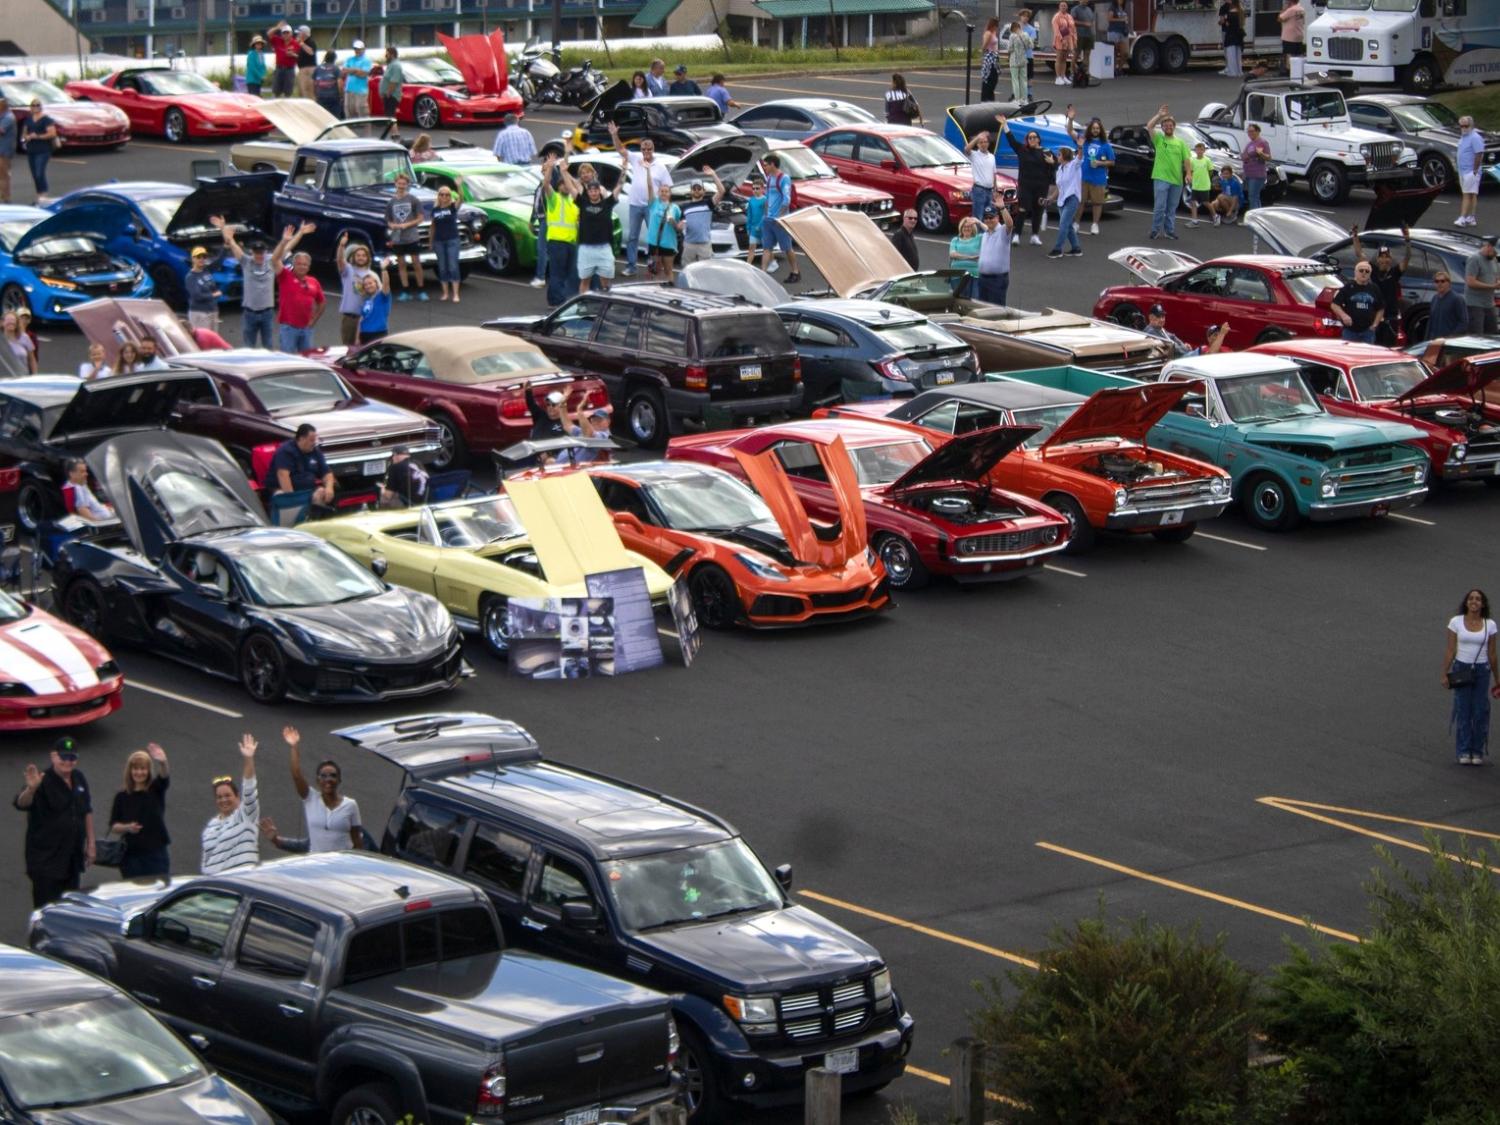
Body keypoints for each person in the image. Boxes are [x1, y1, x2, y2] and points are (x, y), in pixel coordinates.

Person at [13, 737, 93, 908]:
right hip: (47, 863)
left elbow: (86, 810)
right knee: (47, 912)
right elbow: (21, 803)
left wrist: (91, 844)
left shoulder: (79, 778)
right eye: (63, 757)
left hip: (71, 860)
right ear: (53, 757)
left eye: (72, 758)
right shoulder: (42, 780)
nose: (68, 762)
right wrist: (31, 789)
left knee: (69, 910)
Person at [213, 217, 297, 350]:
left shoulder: (270, 261)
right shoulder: (246, 262)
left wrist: (285, 240)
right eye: (257, 253)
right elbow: (233, 244)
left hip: (266, 313)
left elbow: (282, 251)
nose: (259, 256)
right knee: (248, 347)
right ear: (252, 253)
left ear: (265, 252)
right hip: (249, 313)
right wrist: (223, 228)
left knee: (268, 346)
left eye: (261, 253)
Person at [1443, 589, 1499, 766]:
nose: (1474, 601)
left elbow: (1492, 654)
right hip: (1461, 669)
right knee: (1463, 710)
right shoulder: (1456, 622)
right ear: (1466, 602)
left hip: (1482, 671)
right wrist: (1444, 673)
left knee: (1480, 711)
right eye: (1471, 598)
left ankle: (1477, 751)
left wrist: (1497, 679)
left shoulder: (1490, 625)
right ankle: (1463, 750)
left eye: (1478, 599)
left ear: (1483, 604)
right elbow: (1451, 650)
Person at [284, 725, 362, 852]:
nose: (328, 779)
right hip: (316, 865)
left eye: (333, 776)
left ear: (339, 780)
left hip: (341, 865)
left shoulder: (351, 805)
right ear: (318, 780)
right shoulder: (311, 798)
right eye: (323, 776)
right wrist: (294, 746)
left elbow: (357, 842)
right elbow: (296, 774)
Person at [201, 733, 259, 875]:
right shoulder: (211, 825)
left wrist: (248, 758)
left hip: (241, 881)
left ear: (237, 796)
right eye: (219, 797)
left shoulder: (245, 815)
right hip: (217, 885)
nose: (223, 800)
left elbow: (249, 787)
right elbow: (206, 861)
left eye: (228, 796)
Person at [109, 743, 169, 879]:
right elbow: (114, 826)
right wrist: (127, 827)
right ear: (129, 771)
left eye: (143, 769)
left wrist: (163, 762)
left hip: (156, 855)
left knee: (158, 893)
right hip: (131, 857)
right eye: (135, 769)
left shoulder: (155, 789)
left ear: (148, 771)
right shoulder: (121, 797)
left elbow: (164, 777)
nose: (139, 772)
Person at [612, 124, 661, 278]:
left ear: (653, 149)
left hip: (651, 206)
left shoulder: (659, 166)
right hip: (635, 205)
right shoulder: (636, 158)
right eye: (644, 148)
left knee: (653, 237)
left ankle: (652, 265)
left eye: (649, 148)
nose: (646, 151)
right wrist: (614, 134)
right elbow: (620, 150)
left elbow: (667, 187)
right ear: (641, 149)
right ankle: (631, 267)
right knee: (633, 237)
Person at [1000, 115, 1056, 246]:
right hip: (1026, 185)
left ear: (1039, 140)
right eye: (1030, 138)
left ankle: (1035, 236)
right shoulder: (1022, 150)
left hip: (1041, 186)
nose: (1032, 139)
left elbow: (1057, 166)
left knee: (1038, 210)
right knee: (1023, 210)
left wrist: (1052, 162)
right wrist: (1005, 125)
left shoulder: (1046, 152)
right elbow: (1011, 141)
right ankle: (1017, 235)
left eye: (1034, 137)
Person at [1353, 226, 1411, 345]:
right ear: (1378, 259)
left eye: (1387, 257)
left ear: (1390, 259)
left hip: (1390, 318)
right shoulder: (1372, 271)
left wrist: (1407, 240)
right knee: (1373, 348)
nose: (1384, 260)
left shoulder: (1395, 272)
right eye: (1381, 257)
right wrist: (1355, 236)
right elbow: (1360, 254)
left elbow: (1407, 259)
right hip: (1374, 318)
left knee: (1388, 349)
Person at [540, 153, 579, 306]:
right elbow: (546, 185)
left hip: (570, 242)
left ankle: (554, 299)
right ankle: (557, 302)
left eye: (566, 184)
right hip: (557, 242)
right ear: (558, 186)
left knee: (567, 274)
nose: (564, 186)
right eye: (561, 184)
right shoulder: (554, 198)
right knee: (557, 274)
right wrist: (550, 168)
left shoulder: (573, 201)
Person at [1146, 104, 1191, 241]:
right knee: (1160, 206)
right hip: (1161, 177)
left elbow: (1187, 159)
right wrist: (1159, 115)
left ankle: (1169, 231)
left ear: (1174, 126)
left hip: (1176, 179)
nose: (1168, 127)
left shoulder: (1180, 143)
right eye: (1165, 125)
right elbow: (1149, 127)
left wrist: (1188, 173)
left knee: (1171, 208)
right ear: (1163, 127)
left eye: (1170, 125)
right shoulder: (1159, 139)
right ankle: (1155, 230)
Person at [266, 422, 336, 507]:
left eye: (315, 440)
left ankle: (316, 516)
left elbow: (326, 472)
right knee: (281, 495)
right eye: (311, 440)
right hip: (284, 489)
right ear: (301, 439)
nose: (314, 443)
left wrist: (329, 488)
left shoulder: (315, 451)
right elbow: (283, 475)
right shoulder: (286, 451)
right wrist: (292, 498)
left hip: (307, 489)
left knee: (321, 491)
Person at [758, 153, 801, 282]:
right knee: (767, 248)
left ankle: (795, 271)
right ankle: (762, 275)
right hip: (768, 220)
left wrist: (780, 218)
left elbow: (786, 200)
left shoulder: (784, 178)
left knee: (787, 248)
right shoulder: (769, 178)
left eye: (766, 165)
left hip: (779, 221)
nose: (764, 168)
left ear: (772, 164)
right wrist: (765, 215)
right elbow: (768, 198)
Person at [276, 240, 325, 352]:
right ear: (293, 264)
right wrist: (285, 241)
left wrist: (314, 320)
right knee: (287, 360)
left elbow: (322, 302)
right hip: (289, 328)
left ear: (309, 267)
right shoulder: (284, 276)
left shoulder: (313, 281)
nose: (302, 267)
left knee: (307, 359)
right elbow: (276, 259)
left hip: (306, 329)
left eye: (305, 264)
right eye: (299, 264)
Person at [386, 173, 426, 301]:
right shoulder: (391, 202)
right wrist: (392, 225)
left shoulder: (413, 199)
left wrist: (407, 224)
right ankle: (405, 290)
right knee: (401, 264)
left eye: (404, 184)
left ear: (407, 185)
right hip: (398, 238)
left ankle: (421, 289)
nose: (401, 186)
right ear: (395, 184)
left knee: (416, 263)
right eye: (399, 184)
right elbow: (388, 220)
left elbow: (420, 218)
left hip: (412, 237)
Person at [334, 233, 375, 344]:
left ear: (367, 258)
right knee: (349, 350)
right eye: (358, 255)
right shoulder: (348, 270)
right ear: (353, 257)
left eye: (363, 255)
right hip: (350, 319)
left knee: (364, 350)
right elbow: (340, 260)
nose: (361, 257)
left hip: (365, 320)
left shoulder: (371, 275)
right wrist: (342, 246)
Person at [678, 168, 724, 267]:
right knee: (688, 271)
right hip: (689, 245)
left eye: (699, 189)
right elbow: (680, 225)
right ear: (691, 191)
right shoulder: (684, 207)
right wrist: (680, 226)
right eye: (694, 189)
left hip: (704, 245)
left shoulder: (708, 204)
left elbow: (721, 191)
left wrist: (713, 174)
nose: (697, 191)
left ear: (704, 191)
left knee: (706, 271)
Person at [1144, 304, 1231, 356]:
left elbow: (1173, 338)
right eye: (1159, 317)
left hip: (1182, 354)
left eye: (1163, 316)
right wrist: (1185, 350)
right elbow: (1171, 345)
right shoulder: (1151, 331)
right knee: (1204, 351)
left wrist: (1184, 346)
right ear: (1151, 317)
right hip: (1176, 358)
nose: (1162, 319)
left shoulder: (1160, 329)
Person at [1332, 259, 1384, 343]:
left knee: (1366, 355)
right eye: (1361, 270)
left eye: (1367, 271)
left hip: (1368, 331)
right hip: (1350, 331)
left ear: (1370, 274)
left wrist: (1375, 325)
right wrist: (1343, 315)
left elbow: (1381, 308)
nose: (1364, 273)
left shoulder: (1375, 288)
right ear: (1355, 272)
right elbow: (1334, 304)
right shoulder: (1348, 287)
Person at [1079, 116, 1113, 236]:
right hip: (1084, 177)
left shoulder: (1105, 145)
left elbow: (1112, 162)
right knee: (1080, 202)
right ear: (1090, 129)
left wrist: (1100, 163)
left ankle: (1095, 224)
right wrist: (1071, 120)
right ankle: (1075, 224)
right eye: (1093, 128)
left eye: (1097, 128)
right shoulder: (1085, 142)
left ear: (1101, 130)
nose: (1095, 130)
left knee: (1097, 203)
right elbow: (1070, 132)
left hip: (1098, 178)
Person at [976, 204, 1016, 305]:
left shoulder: (1002, 232)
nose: (988, 220)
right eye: (986, 218)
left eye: (991, 217)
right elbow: (986, 227)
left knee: (996, 311)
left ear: (997, 217)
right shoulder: (986, 234)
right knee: (983, 310)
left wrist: (1002, 208)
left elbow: (1010, 224)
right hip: (983, 278)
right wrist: (978, 222)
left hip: (997, 280)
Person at [1048, 145, 1083, 258]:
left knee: (1063, 224)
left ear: (1064, 156)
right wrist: (1050, 198)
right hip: (1061, 200)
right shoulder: (1059, 169)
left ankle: (1058, 249)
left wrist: (1081, 146)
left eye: (1059, 154)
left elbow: (1080, 156)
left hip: (1072, 198)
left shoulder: (1074, 165)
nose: (1057, 156)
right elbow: (1059, 188)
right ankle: (1076, 248)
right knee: (1068, 226)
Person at [430, 184, 463, 303]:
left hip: (452, 240)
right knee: (442, 267)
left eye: (447, 194)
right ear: (438, 196)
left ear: (450, 196)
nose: (444, 196)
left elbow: (461, 199)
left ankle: (455, 294)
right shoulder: (435, 210)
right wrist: (430, 241)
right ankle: (445, 293)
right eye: (442, 194)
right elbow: (432, 227)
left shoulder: (453, 207)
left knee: (453, 266)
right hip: (438, 241)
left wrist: (459, 186)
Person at [646, 182, 683, 284]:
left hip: (668, 243)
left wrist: (673, 222)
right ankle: (653, 290)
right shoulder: (654, 203)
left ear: (670, 194)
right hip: (654, 242)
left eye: (666, 191)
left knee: (668, 269)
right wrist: (648, 170)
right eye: (662, 191)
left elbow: (679, 228)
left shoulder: (675, 208)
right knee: (653, 270)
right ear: (658, 192)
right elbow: (649, 186)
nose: (664, 193)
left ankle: (670, 289)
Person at [21, 101, 57, 200]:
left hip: (44, 149)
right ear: (31, 107)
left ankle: (44, 193)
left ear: (41, 107)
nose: (36, 107)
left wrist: (38, 136)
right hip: (31, 149)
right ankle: (39, 193)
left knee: (39, 172)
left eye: (38, 105)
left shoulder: (46, 119)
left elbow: (52, 133)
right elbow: (24, 134)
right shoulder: (28, 119)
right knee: (34, 173)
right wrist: (26, 137)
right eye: (33, 105)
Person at [1464, 235, 1499, 334]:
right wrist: (1492, 286)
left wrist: (1497, 282)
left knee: (1493, 334)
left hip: (1489, 303)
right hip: (1475, 304)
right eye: (1494, 251)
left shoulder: (1494, 260)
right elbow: (1470, 282)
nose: (1495, 254)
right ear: (1488, 246)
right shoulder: (1475, 259)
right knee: (1477, 336)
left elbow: (1496, 277)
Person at [184, 246, 222, 331]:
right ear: (193, 259)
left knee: (213, 339)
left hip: (212, 311)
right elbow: (197, 296)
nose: (202, 259)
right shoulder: (190, 277)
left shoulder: (206, 271)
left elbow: (218, 262)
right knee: (203, 340)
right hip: (199, 313)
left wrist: (226, 248)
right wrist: (213, 295)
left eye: (204, 257)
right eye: (198, 257)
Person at [1456, 116, 1483, 228]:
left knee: (1467, 195)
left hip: (1470, 171)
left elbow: (1479, 154)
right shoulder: (1463, 137)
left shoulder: (1475, 137)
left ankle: (1462, 218)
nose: (1463, 128)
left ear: (1471, 125)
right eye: (1461, 125)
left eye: (1466, 126)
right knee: (1472, 194)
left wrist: (1475, 171)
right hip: (1463, 171)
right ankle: (1471, 217)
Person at [967, 128, 999, 220]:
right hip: (979, 190)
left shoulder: (992, 157)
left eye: (985, 142)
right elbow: (967, 149)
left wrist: (995, 189)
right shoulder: (974, 155)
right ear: (977, 144)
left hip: (990, 191)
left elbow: (994, 174)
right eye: (981, 142)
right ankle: (978, 234)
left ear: (988, 143)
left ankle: (986, 234)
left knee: (988, 216)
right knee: (978, 216)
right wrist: (977, 137)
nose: (983, 144)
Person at [1427, 271, 1469, 341]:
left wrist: (1451, 337)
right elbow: (1431, 322)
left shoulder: (1457, 299)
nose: (1439, 284)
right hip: (1434, 341)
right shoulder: (1434, 298)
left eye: (1442, 281)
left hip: (1449, 341)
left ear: (1449, 283)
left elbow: (1463, 322)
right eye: (1436, 281)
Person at [1241, 123, 1271, 216]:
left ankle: (1253, 219)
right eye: (1248, 131)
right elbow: (1245, 155)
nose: (1250, 133)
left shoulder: (1262, 142)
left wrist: (1261, 154)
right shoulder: (1250, 143)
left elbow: (1268, 157)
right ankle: (1259, 217)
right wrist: (1244, 157)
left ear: (1257, 131)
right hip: (1249, 173)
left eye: (1252, 131)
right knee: (1255, 197)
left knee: (1252, 197)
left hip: (1257, 174)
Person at [357, 264, 391, 343]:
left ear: (376, 283)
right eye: (365, 285)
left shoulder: (383, 296)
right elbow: (361, 319)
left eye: (370, 283)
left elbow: (386, 284)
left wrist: (384, 269)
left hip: (378, 333)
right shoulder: (366, 300)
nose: (368, 286)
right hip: (364, 334)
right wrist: (357, 338)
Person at [342, 41, 374, 125]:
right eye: (356, 49)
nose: (357, 50)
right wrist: (356, 70)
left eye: (359, 49)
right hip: (349, 89)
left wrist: (352, 70)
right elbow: (344, 71)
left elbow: (364, 74)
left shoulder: (366, 60)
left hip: (361, 90)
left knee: (362, 111)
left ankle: (367, 134)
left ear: (363, 49)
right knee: (349, 111)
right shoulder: (349, 59)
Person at [268, 20, 299, 98]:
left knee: (288, 92)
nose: (286, 34)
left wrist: (293, 54)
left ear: (291, 33)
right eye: (284, 33)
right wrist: (277, 27)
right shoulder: (278, 40)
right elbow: (269, 34)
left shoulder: (295, 43)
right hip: (279, 68)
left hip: (290, 69)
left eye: (287, 32)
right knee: (276, 90)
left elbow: (300, 56)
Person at [379, 46, 405, 127]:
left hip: (392, 95)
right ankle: (393, 134)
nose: (385, 56)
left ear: (392, 55)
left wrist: (388, 93)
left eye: (387, 54)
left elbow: (394, 81)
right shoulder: (391, 65)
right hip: (388, 95)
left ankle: (395, 134)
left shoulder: (396, 66)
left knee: (390, 116)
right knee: (389, 116)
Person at [1051, 2, 1076, 86]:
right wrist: (1062, 39)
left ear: (1067, 7)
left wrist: (1074, 40)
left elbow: (1073, 29)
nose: (1063, 7)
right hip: (1059, 40)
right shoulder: (1056, 17)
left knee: (1065, 59)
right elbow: (1056, 30)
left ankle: (1063, 75)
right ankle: (1058, 77)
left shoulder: (1069, 16)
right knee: (1059, 58)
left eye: (1065, 5)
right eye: (1062, 5)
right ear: (1059, 7)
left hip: (1069, 40)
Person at [744, 176, 766, 266]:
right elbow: (749, 215)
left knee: (767, 248)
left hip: (764, 228)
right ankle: (748, 265)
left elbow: (766, 214)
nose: (755, 190)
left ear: (762, 189)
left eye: (757, 188)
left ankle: (770, 263)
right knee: (751, 247)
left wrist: (760, 225)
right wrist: (748, 227)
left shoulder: (765, 200)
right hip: (753, 228)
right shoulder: (751, 200)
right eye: (753, 188)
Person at [1219, 0, 1245, 78]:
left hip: (1230, 34)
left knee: (1230, 54)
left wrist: (1223, 22)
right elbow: (1242, 23)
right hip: (1239, 34)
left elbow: (1224, 22)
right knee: (1238, 54)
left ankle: (1232, 71)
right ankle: (1239, 71)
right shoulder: (1241, 10)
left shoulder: (1228, 10)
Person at [1278, 0, 1305, 75]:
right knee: (1297, 55)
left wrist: (1284, 9)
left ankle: (1287, 72)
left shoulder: (1291, 10)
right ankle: (1297, 71)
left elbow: (1280, 18)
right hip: (1299, 35)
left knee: (1288, 55)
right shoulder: (1301, 9)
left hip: (1289, 37)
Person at [313, 50, 342, 117]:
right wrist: (341, 95)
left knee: (322, 116)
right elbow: (339, 84)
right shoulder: (336, 69)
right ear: (334, 59)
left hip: (320, 96)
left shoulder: (318, 68)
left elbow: (314, 83)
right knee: (335, 117)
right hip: (333, 97)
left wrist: (315, 94)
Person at [1006, 20, 1030, 102]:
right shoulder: (1025, 35)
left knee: (1015, 80)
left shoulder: (1012, 36)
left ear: (1012, 28)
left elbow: (1009, 48)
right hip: (1023, 59)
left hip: (1014, 60)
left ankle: (1017, 99)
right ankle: (1024, 98)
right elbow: (1030, 45)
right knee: (1023, 80)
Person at [979, 18, 1002, 103]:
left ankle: (990, 99)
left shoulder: (994, 33)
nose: (996, 27)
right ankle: (985, 99)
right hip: (989, 56)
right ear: (992, 25)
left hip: (995, 56)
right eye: (996, 26)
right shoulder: (988, 33)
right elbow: (984, 46)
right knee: (989, 77)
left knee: (994, 78)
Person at [1073, 0, 1095, 84]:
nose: (1085, 1)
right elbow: (1073, 21)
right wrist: (1084, 23)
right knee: (1077, 53)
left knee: (1087, 54)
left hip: (1089, 35)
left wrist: (1092, 28)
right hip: (1079, 34)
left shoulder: (1089, 9)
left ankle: (1086, 73)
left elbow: (1092, 21)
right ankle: (1073, 72)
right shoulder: (1075, 9)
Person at [1020, 9, 1039, 99]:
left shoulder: (1032, 29)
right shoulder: (1015, 28)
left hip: (1028, 56)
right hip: (1018, 56)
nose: (1025, 18)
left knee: (1029, 76)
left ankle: (1029, 93)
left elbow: (1030, 43)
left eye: (1027, 16)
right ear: (1020, 16)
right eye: (1024, 16)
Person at [295, 26, 319, 100]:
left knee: (308, 91)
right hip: (302, 69)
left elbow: (311, 52)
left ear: (304, 33)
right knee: (302, 91)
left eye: (299, 33)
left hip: (309, 70)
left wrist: (301, 44)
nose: (297, 35)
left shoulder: (310, 42)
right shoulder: (302, 44)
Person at [1107, 0, 1130, 72]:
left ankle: (1119, 69)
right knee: (1115, 52)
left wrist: (1126, 20)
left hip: (1123, 32)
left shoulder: (1123, 8)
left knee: (1125, 53)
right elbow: (1109, 19)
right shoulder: (1112, 7)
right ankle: (1113, 70)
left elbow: (1125, 19)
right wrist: (1121, 19)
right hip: (1114, 32)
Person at [0, 97, 15, 204]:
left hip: (4, 152)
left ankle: (6, 198)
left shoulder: (8, 117)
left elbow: (1, 130)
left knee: (4, 175)